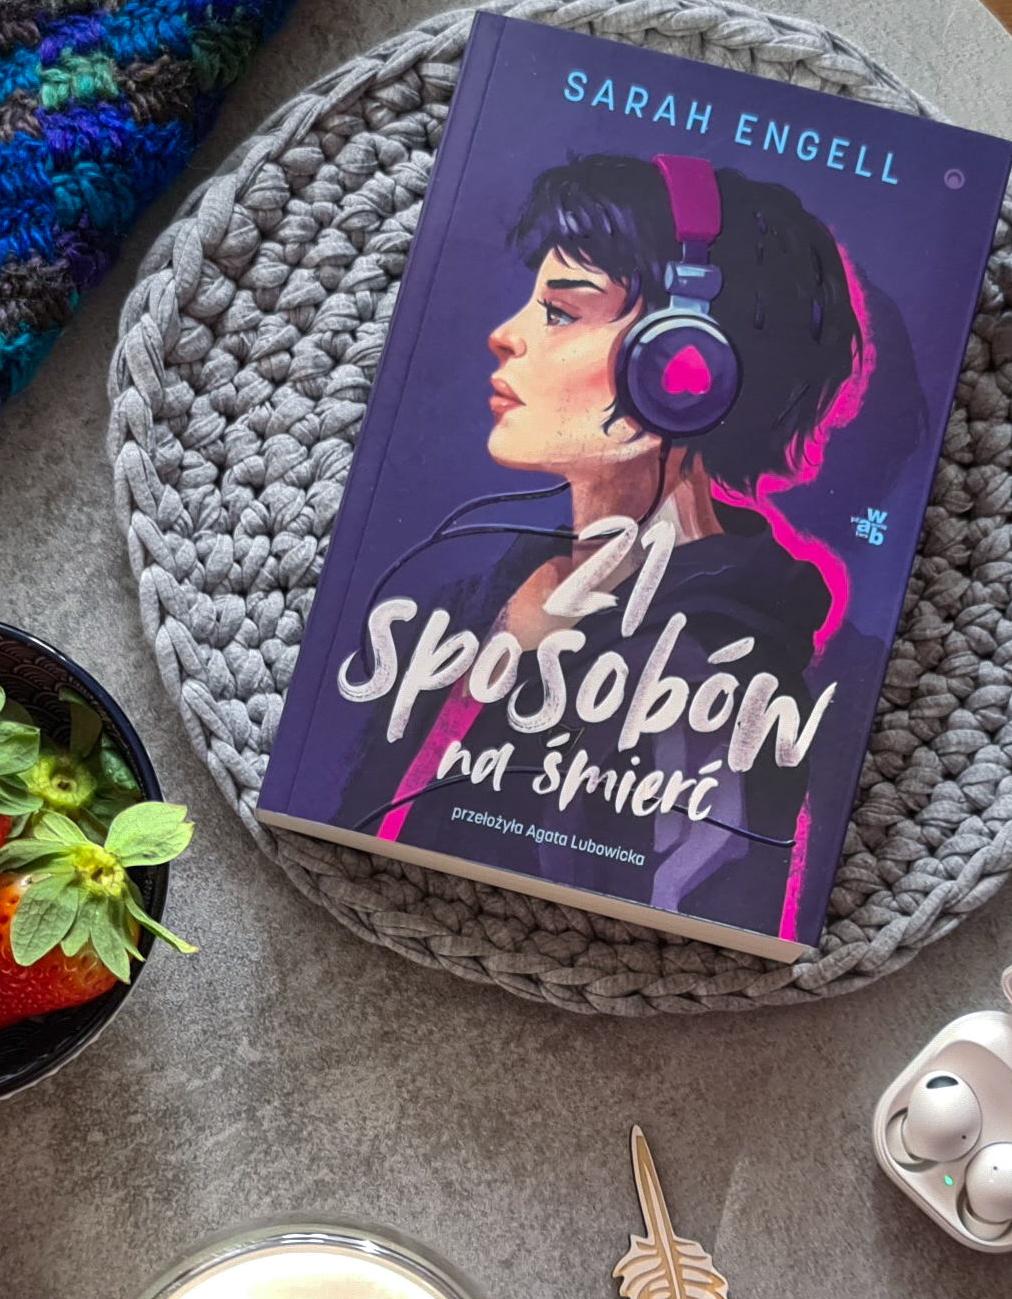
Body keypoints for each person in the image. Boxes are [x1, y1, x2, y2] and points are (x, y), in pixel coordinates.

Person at [327, 148, 869, 943]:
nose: (503, 336)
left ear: (686, 369)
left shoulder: (720, 667)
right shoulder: (497, 589)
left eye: (559, 311)